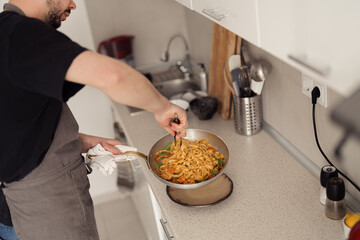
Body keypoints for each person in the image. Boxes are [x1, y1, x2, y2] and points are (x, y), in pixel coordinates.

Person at [0, 0, 188, 239]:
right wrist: (163, 107)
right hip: (46, 206)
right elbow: (114, 76)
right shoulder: (22, 33)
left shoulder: (5, 32)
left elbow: (13, 123)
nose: (73, 4)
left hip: (15, 209)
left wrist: (80, 141)